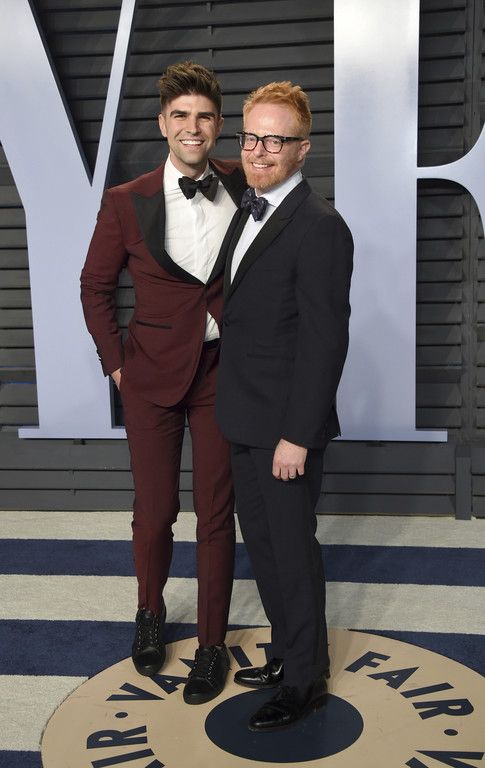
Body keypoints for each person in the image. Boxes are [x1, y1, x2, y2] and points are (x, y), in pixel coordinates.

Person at [81, 61, 246, 705]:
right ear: (162, 124)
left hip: (222, 372)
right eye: (181, 116)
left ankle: (211, 645)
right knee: (154, 512)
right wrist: (116, 364)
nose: (192, 127)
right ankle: (149, 613)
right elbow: (95, 287)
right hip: (149, 374)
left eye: (204, 116)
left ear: (219, 125)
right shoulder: (127, 200)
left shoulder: (244, 184)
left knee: (216, 513)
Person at [216, 81, 353, 731]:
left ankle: (304, 680)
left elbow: (326, 341)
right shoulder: (247, 210)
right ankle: (288, 651)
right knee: (265, 548)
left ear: (302, 149)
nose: (259, 150)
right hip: (243, 415)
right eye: (251, 137)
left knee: (292, 553)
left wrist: (298, 435)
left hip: (285, 430)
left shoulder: (320, 226)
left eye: (276, 140)